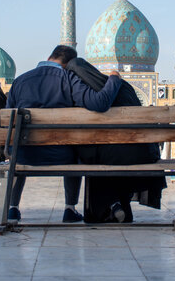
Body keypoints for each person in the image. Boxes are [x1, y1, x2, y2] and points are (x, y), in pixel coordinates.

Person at [5, 45, 122, 223]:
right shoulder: (68, 78)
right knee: (78, 150)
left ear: (49, 57)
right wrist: (113, 79)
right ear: (70, 64)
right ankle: (70, 209)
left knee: (17, 153)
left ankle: (12, 209)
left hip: (23, 155)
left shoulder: (19, 81)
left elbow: (8, 122)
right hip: (61, 155)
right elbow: (100, 103)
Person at [67, 57, 166, 223]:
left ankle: (108, 206)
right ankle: (119, 207)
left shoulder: (90, 96)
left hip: (113, 153)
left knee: (96, 155)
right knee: (113, 152)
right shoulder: (123, 85)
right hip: (143, 152)